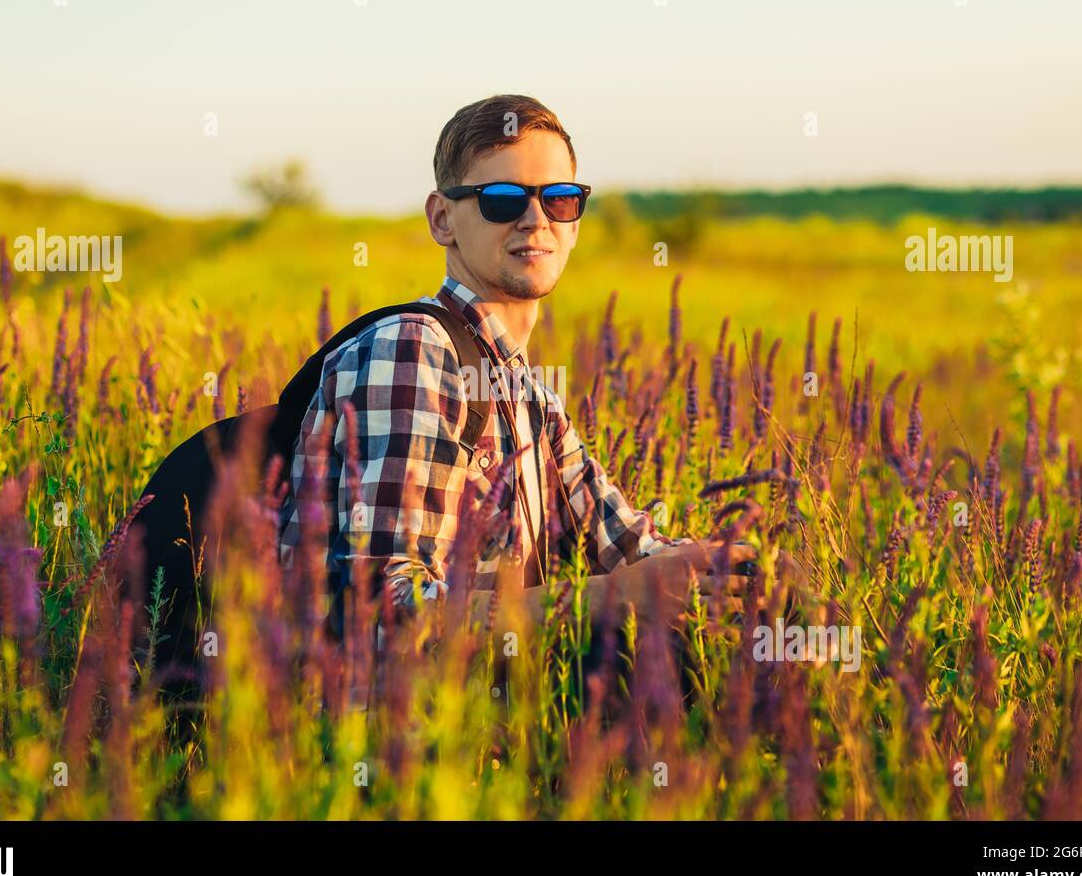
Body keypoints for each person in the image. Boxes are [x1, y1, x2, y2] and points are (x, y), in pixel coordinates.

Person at [276, 94, 755, 634]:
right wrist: (616, 597)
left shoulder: (530, 395)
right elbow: (382, 615)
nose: (535, 219)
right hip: (384, 719)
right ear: (442, 219)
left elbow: (630, 547)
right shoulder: (413, 350)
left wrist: (743, 568)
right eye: (501, 200)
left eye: (561, 199)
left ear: (575, 222)